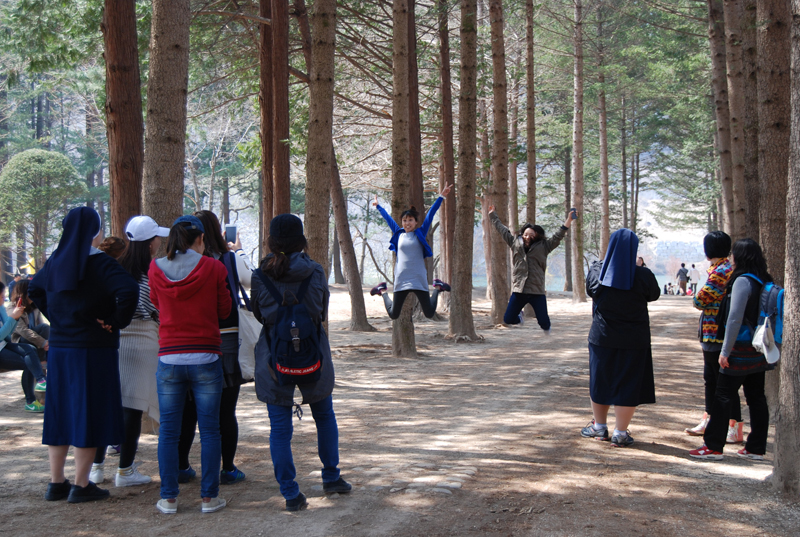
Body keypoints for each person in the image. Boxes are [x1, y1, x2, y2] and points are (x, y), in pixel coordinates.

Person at [28, 207, 139, 503]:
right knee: (89, 412)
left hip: (61, 349)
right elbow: (128, 291)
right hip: (93, 348)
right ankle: (81, 485)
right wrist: (114, 320)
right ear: (94, 231)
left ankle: (56, 482)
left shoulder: (55, 260)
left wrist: (57, 316)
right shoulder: (101, 263)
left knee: (59, 412)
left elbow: (34, 290)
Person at [251, 213, 351, 512]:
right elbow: (321, 311)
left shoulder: (260, 275)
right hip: (313, 352)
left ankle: (290, 493)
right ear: (302, 240)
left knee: (279, 428)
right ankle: (331, 477)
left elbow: (259, 314)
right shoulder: (316, 271)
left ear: (271, 240)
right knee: (324, 415)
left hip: (273, 355)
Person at [148, 215, 231, 514]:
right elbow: (224, 309)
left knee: (169, 431)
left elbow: (157, 303)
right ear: (199, 239)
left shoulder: (155, 268)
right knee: (210, 430)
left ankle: (169, 497)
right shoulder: (214, 267)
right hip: (206, 354)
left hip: (169, 355)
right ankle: (209, 498)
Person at [89, 216, 169, 487]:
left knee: (107, 404)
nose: (160, 241)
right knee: (132, 409)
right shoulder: (155, 271)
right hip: (145, 339)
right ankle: (125, 471)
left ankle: (96, 467)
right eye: (157, 237)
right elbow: (159, 309)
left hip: (114, 338)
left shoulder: (112, 268)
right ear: (150, 243)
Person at [177, 210, 253, 487]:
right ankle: (228, 468)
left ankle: (182, 466)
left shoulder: (177, 263)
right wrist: (240, 250)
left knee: (188, 409)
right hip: (227, 340)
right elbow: (251, 280)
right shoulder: (228, 259)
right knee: (224, 410)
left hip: (187, 341)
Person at [689, 239, 773, 461]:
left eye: (734, 254)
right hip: (759, 346)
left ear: (741, 257)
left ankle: (713, 447)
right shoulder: (764, 279)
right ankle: (756, 448)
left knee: (723, 395)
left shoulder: (742, 282)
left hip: (739, 347)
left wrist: (725, 351)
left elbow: (734, 319)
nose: (731, 258)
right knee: (756, 397)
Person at [580, 229, 660, 447]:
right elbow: (654, 294)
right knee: (628, 383)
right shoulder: (642, 274)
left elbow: (591, 290)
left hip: (602, 337)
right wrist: (638, 268)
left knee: (600, 380)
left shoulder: (597, 271)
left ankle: (599, 427)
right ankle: (621, 433)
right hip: (635, 339)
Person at [685, 231, 743, 442]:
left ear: (708, 250)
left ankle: (733, 426)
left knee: (721, 382)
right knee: (711, 379)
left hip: (717, 333)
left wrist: (699, 299)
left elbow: (700, 300)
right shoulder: (723, 268)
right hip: (712, 333)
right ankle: (711, 419)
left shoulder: (721, 271)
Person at [370, 184, 452, 318]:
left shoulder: (420, 232)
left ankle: (438, 287)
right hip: (402, 279)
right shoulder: (398, 233)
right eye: (404, 220)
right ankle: (383, 290)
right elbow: (388, 218)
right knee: (393, 314)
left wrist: (441, 196)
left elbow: (431, 214)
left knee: (429, 313)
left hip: (418, 278)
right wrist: (378, 206)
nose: (407, 223)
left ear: (415, 222)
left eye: (410, 220)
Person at [487, 207, 574, 330]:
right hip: (519, 289)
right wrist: (492, 215)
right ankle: (520, 317)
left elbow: (558, 235)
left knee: (545, 324)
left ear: (537, 236)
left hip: (536, 290)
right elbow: (502, 231)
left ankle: (545, 329)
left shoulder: (545, 246)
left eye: (531, 235)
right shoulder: (515, 243)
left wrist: (569, 220)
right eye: (525, 234)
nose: (527, 237)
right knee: (508, 319)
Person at [1, 281, 47, 412]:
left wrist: (14, 318)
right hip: (5, 345)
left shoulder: (2, 309)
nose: (3, 298)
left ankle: (41, 380)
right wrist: (14, 318)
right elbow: (4, 334)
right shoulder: (10, 307)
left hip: (5, 344)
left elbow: (8, 332)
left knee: (31, 350)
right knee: (29, 362)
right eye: (2, 295)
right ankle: (31, 400)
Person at [9, 279, 50, 363]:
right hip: (18, 340)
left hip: (33, 340)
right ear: (24, 293)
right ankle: (42, 361)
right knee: (45, 328)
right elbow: (23, 331)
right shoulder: (13, 309)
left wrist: (45, 342)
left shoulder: (34, 307)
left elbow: (40, 327)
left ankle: (42, 364)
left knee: (46, 333)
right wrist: (43, 343)